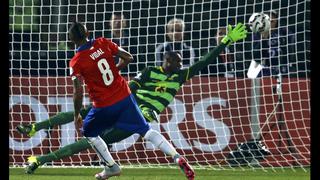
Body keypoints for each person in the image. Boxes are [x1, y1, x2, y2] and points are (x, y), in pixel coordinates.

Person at [17, 22, 247, 178]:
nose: (173, 60)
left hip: (122, 105)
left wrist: (225, 41)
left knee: (89, 133)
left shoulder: (180, 76)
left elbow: (205, 61)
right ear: (164, 60)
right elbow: (131, 84)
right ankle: (37, 129)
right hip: (127, 105)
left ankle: (43, 158)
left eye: (176, 59)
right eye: (170, 57)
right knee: (90, 123)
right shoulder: (148, 71)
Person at [251, 10, 296, 76]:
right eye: (268, 20)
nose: (270, 22)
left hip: (283, 68)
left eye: (272, 20)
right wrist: (264, 39)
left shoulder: (284, 32)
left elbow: (291, 52)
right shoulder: (258, 34)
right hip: (265, 68)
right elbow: (256, 57)